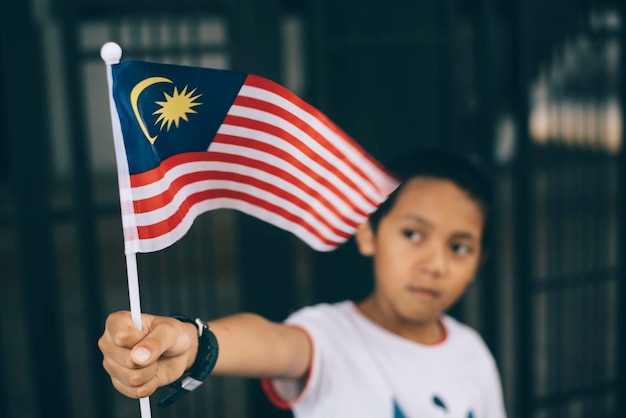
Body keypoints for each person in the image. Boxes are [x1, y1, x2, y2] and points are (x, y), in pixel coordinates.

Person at [99, 149, 507, 418]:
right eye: (413, 234)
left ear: (479, 262)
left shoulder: (474, 355)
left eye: (459, 246)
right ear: (368, 234)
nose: (434, 264)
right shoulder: (330, 335)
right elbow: (276, 343)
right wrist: (195, 342)